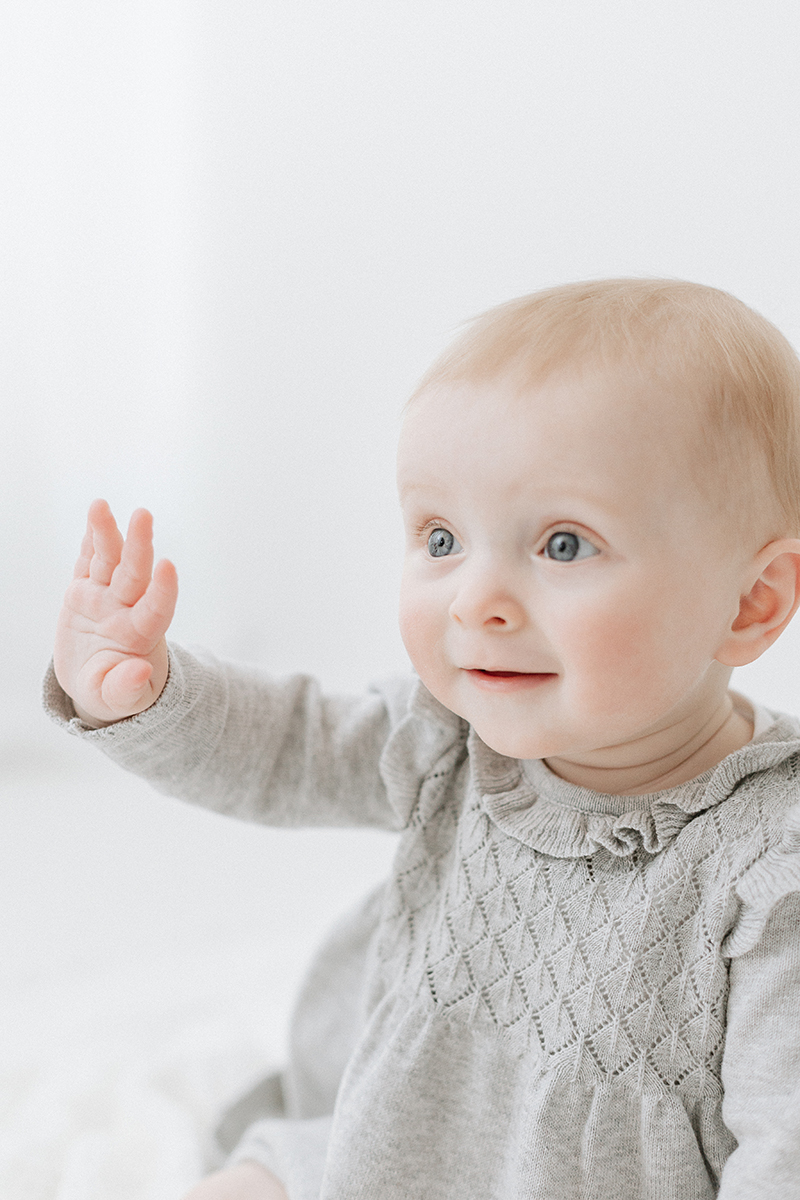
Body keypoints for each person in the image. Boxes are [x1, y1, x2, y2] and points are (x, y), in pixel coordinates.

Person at [46, 278, 800, 1199]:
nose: (474, 599)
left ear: (751, 602)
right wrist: (150, 694)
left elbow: (784, 1144)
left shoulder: (771, 865)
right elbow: (289, 748)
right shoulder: (452, 741)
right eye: (440, 538)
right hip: (390, 1142)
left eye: (564, 545)